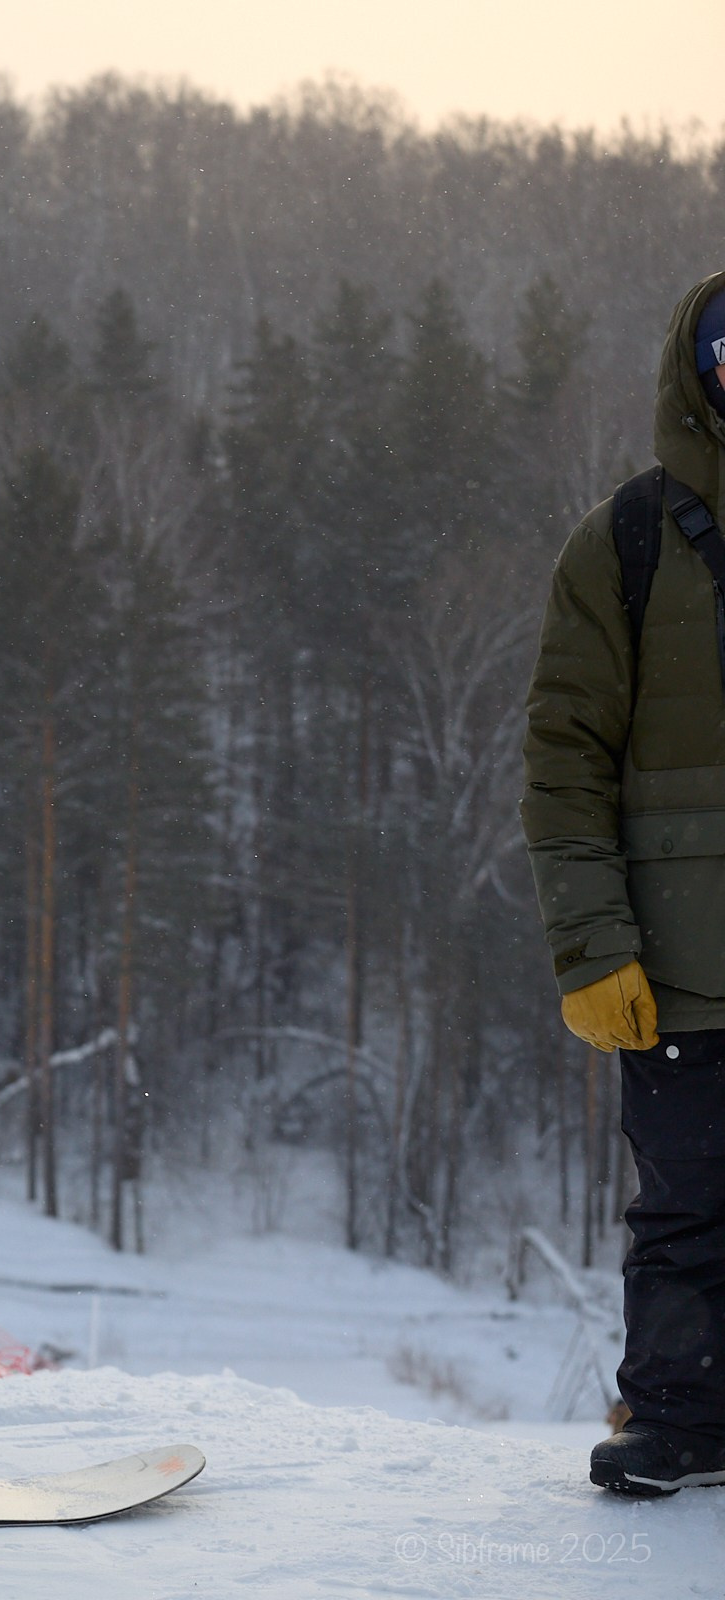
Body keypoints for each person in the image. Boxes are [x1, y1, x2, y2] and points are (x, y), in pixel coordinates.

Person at [524, 269, 725, 1497]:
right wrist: (593, 947)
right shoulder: (628, 541)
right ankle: (680, 1417)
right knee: (688, 1212)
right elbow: (564, 758)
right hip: (678, 966)